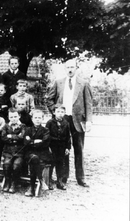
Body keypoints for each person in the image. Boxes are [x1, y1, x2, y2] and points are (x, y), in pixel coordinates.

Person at [46, 59, 92, 188]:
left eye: (72, 67)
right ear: (65, 69)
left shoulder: (83, 83)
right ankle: (63, 178)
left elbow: (88, 103)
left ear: (76, 68)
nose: (70, 70)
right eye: (68, 67)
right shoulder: (58, 82)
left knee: (79, 149)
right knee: (62, 148)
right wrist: (56, 112)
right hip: (63, 120)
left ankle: (81, 178)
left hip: (78, 120)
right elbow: (49, 98)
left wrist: (89, 120)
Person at [23, 109, 52, 197]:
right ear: (32, 119)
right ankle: (41, 179)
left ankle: (31, 188)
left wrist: (31, 141)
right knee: (34, 158)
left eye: (39, 118)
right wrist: (36, 141)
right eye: (35, 118)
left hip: (42, 153)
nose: (37, 119)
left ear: (43, 119)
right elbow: (25, 143)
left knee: (35, 160)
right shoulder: (28, 130)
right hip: (30, 153)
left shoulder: (46, 130)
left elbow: (45, 143)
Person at [46, 105, 71, 190]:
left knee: (60, 164)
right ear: (54, 113)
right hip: (52, 146)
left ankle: (59, 181)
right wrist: (47, 146)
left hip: (62, 147)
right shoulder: (50, 123)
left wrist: (68, 148)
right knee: (51, 163)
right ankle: (49, 181)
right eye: (58, 112)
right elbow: (46, 135)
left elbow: (68, 136)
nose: (60, 114)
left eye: (62, 112)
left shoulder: (66, 123)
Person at [1, 108, 26, 194]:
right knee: (6, 164)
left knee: (16, 165)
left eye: (15, 116)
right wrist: (16, 137)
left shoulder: (23, 126)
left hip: (19, 152)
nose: (13, 118)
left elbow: (22, 137)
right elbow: (3, 138)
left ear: (19, 116)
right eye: (11, 117)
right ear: (8, 117)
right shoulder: (5, 126)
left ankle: (14, 183)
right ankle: (8, 182)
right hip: (8, 151)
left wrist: (10, 136)